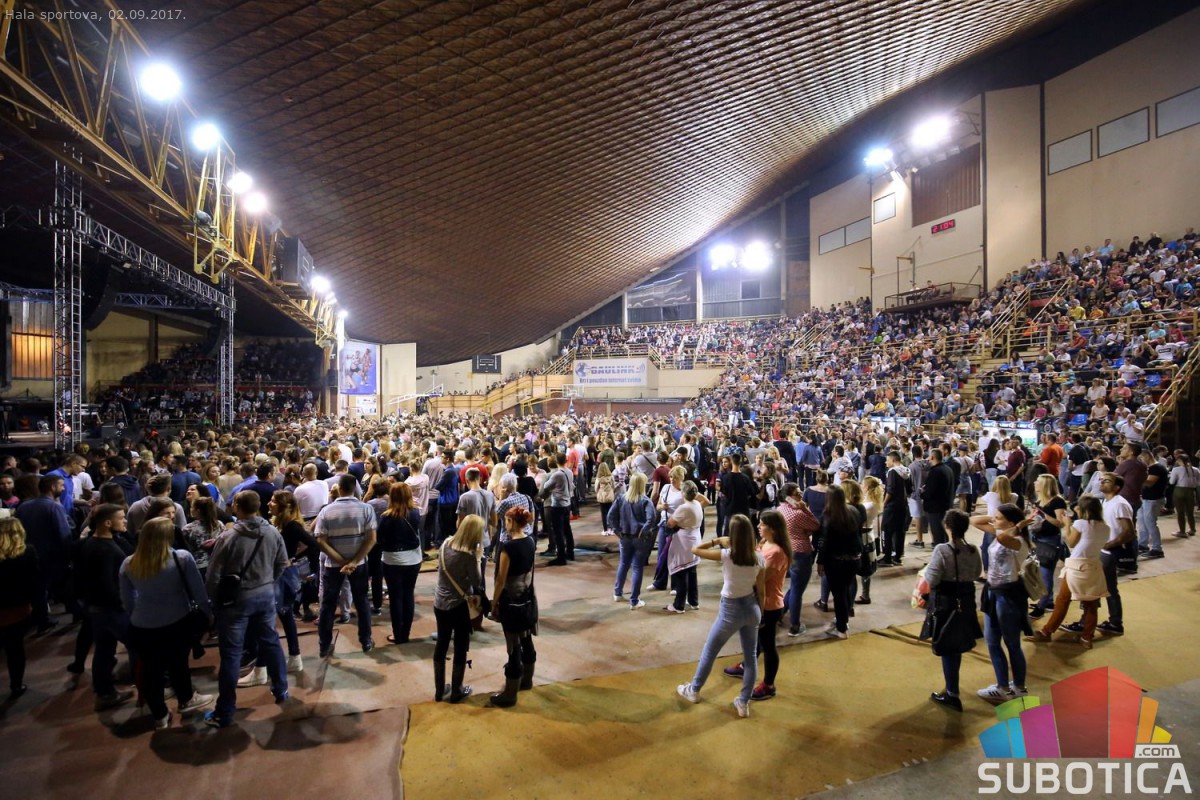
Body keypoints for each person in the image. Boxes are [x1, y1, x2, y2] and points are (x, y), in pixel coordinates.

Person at [204, 490, 290, 728]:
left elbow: (213, 574)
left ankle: (225, 710)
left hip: (236, 600)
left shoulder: (229, 537)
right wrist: (268, 582)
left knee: (231, 654)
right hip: (265, 595)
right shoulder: (272, 532)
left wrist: (215, 601)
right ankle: (281, 689)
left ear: (236, 507)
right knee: (271, 642)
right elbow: (282, 563)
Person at [119, 518, 214, 729]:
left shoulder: (129, 563)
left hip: (142, 625)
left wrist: (138, 615)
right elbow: (198, 591)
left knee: (151, 670)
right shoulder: (181, 557)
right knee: (178, 663)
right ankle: (186, 699)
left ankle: (159, 715)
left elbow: (127, 600)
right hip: (177, 620)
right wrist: (207, 614)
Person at [676, 514, 765, 718]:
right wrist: (762, 613)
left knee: (710, 650)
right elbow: (761, 592)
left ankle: (694, 690)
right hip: (752, 608)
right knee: (750, 657)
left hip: (730, 610)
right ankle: (743, 702)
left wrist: (716, 541)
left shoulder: (727, 554)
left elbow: (695, 550)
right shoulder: (759, 558)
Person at [722, 510, 789, 701]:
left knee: (768, 645)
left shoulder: (776, 552)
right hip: (759, 602)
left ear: (773, 529)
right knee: (756, 640)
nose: (758, 527)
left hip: (769, 605)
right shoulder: (764, 543)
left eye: (762, 524)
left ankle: (769, 685)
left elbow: (759, 578)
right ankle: (746, 665)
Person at [75, 504, 136, 711]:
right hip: (111, 609)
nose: (125, 521)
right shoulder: (106, 549)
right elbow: (107, 583)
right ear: (108, 523)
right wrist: (123, 604)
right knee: (137, 645)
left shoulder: (90, 543)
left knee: (104, 650)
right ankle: (147, 688)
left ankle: (105, 692)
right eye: (121, 518)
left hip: (95, 607)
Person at [972, 504, 1033, 704]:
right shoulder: (1002, 532)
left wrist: (1017, 526)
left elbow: (1002, 539)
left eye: (999, 518)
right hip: (993, 592)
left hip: (1008, 595)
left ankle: (1017, 687)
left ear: (1012, 523)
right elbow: (974, 521)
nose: (994, 520)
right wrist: (996, 518)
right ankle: (1005, 686)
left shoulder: (1018, 541)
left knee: (1011, 643)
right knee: (992, 641)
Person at [924, 509, 983, 711]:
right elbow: (977, 573)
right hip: (966, 600)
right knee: (956, 644)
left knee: (948, 645)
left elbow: (932, 579)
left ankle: (952, 693)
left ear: (947, 526)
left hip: (946, 602)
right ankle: (951, 688)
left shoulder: (942, 550)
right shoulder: (973, 550)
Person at [313, 474, 378, 657]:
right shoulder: (366, 509)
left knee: (328, 604)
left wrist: (341, 561)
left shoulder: (326, 511)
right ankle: (365, 640)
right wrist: (353, 562)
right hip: (359, 563)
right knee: (362, 601)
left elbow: (320, 540)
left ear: (339, 489)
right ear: (354, 489)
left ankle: (324, 644)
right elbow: (371, 539)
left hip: (333, 565)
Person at [1030, 495, 1108, 648]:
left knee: (1063, 600)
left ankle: (1047, 632)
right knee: (1091, 603)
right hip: (1094, 566)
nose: (1075, 509)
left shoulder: (1081, 523)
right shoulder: (1105, 527)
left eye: (1078, 507)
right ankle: (1087, 637)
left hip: (1077, 566)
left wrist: (1067, 525)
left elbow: (1071, 542)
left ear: (1085, 509)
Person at [487, 506, 539, 707]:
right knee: (526, 638)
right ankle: (527, 680)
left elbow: (501, 580)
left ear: (511, 522)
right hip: (527, 597)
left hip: (511, 601)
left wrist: (494, 603)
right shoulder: (530, 541)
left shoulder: (508, 548)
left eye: (506, 521)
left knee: (513, 646)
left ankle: (510, 694)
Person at [432, 515, 484, 703]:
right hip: (458, 605)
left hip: (440, 602)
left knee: (442, 643)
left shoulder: (445, 544)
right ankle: (457, 690)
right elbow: (477, 581)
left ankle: (439, 691)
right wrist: (478, 559)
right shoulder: (468, 556)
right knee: (461, 646)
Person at [377, 482, 423, 644]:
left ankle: (397, 634)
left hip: (392, 559)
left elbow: (379, 538)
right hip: (413, 558)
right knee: (408, 594)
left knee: (395, 597)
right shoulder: (415, 513)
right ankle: (406, 633)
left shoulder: (386, 517)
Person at [0, 517, 40, 700]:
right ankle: (16, 684)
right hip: (17, 608)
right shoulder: (27, 552)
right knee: (15, 648)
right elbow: (35, 581)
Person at [815, 485, 862, 639]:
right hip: (854, 560)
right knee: (846, 590)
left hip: (836, 562)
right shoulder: (853, 511)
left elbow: (825, 542)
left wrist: (820, 562)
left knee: (839, 594)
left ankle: (841, 629)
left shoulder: (828, 515)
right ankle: (843, 620)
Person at [607, 471, 656, 609]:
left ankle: (617, 593)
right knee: (637, 568)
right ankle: (634, 601)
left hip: (624, 537)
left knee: (623, 564)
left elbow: (610, 516)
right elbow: (651, 518)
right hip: (639, 539)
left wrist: (617, 531)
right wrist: (644, 531)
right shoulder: (645, 501)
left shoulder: (621, 498)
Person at [779, 482, 819, 636]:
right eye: (797, 494)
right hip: (801, 552)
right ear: (788, 497)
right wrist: (805, 509)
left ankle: (780, 613)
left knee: (794, 586)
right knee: (797, 589)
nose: (801, 496)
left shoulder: (780, 509)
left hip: (787, 550)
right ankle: (795, 626)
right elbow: (816, 525)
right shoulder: (797, 514)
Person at [1028, 475, 1068, 619]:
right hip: (1038, 539)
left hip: (1049, 541)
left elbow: (1061, 523)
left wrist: (1044, 515)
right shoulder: (1040, 500)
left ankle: (1041, 606)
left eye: (1038, 482)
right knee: (1040, 573)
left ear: (1045, 485)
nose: (1035, 483)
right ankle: (1048, 601)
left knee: (1046, 575)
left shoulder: (1057, 501)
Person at [664, 481, 704, 613]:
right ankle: (694, 601)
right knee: (692, 571)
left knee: (682, 572)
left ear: (683, 493)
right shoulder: (697, 503)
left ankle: (679, 605)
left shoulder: (684, 507)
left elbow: (670, 523)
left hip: (684, 541)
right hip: (695, 539)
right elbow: (706, 501)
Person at [920, 448, 955, 546]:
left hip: (936, 508)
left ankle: (941, 554)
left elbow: (930, 491)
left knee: (938, 534)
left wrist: (922, 493)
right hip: (946, 505)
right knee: (944, 533)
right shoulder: (948, 469)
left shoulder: (935, 471)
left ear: (932, 457)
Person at [1169, 454, 1199, 538]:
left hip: (1179, 490)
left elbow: (1171, 482)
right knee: (1190, 512)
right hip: (1191, 491)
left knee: (1180, 512)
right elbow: (1198, 482)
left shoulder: (1177, 469)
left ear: (1179, 460)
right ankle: (1192, 529)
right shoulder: (1195, 469)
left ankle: (1182, 531)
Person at [594, 462, 616, 535]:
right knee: (610, 512)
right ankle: (611, 529)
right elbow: (613, 486)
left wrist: (598, 492)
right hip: (609, 496)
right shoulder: (611, 477)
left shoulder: (598, 479)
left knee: (603, 514)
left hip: (602, 497)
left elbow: (596, 488)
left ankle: (605, 530)